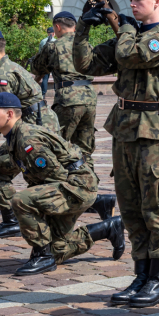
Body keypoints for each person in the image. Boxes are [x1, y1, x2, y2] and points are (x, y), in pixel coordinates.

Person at [74, 0, 159, 308]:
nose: (133, 5)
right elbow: (86, 64)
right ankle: (140, 275)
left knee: (155, 206)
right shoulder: (130, 34)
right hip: (124, 128)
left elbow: (132, 54)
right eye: (131, 0)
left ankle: (158, 279)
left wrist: (120, 25)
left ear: (158, 2)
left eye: (138, 0)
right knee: (132, 207)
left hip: (154, 129)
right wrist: (84, 27)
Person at [0, 92, 125, 276]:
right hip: (69, 185)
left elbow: (56, 177)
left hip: (76, 186)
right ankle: (108, 228)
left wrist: (39, 213)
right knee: (58, 250)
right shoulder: (15, 136)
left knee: (21, 200)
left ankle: (42, 256)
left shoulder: (27, 139)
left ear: (9, 114)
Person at [0, 27, 61, 239]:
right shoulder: (9, 67)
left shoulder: (2, 74)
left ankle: (12, 220)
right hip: (39, 124)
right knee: (46, 177)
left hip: (33, 129)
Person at [30, 11, 116, 221]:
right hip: (89, 97)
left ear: (57, 27)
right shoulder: (84, 43)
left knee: (57, 147)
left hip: (68, 99)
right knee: (84, 149)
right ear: (75, 27)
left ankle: (53, 197)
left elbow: (37, 67)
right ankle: (93, 197)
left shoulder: (53, 45)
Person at [38, 27, 53, 95]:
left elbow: (39, 53)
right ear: (53, 33)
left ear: (48, 33)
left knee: (45, 78)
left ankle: (43, 94)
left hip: (44, 62)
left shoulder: (43, 41)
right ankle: (56, 92)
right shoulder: (56, 41)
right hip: (53, 62)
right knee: (56, 78)